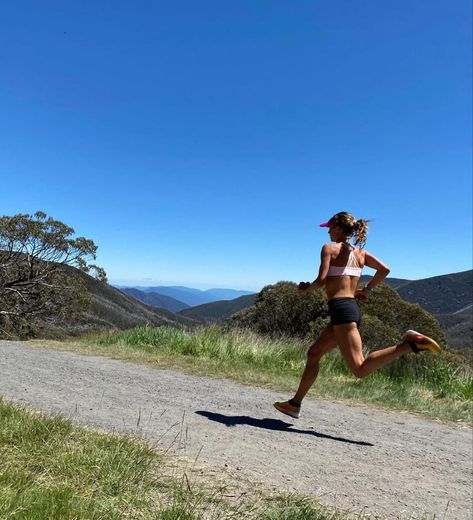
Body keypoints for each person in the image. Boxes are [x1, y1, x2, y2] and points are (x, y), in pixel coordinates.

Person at [273, 211, 441, 419]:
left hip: (342, 311)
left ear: (337, 228)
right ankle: (295, 404)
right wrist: (367, 290)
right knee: (314, 353)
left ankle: (411, 344)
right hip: (347, 308)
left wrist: (307, 288)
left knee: (360, 369)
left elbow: (322, 279)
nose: (327, 232)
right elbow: (384, 269)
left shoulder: (328, 249)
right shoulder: (361, 254)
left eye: (329, 228)